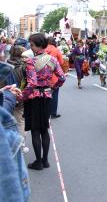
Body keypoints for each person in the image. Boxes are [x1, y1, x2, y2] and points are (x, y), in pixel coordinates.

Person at [22, 33, 65, 170]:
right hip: (46, 96)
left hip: (34, 98)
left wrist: (21, 96)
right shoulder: (52, 59)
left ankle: (38, 162)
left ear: (36, 45)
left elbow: (32, 83)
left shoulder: (30, 62)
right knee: (44, 129)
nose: (31, 46)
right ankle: (45, 161)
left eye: (32, 44)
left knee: (35, 130)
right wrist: (52, 87)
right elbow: (62, 77)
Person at [45, 37, 64, 119]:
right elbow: (61, 62)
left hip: (43, 75)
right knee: (55, 93)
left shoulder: (43, 49)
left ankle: (44, 111)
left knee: (44, 93)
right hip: (53, 76)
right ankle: (53, 112)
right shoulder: (56, 50)